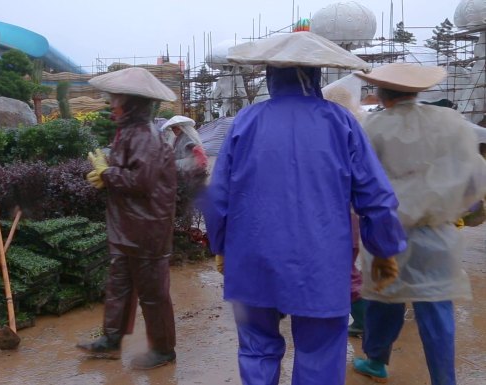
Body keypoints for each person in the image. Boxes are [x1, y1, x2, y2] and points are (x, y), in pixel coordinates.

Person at [202, 31, 407, 385]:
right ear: (315, 75)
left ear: (270, 75)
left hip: (253, 256)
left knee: (256, 347)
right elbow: (376, 196)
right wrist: (385, 250)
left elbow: (218, 196)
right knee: (320, 351)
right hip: (321, 260)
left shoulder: (245, 122)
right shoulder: (341, 122)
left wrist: (220, 246)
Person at [352, 63, 486, 385]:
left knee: (384, 298)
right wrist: (468, 210)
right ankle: (444, 379)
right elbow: (475, 172)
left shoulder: (374, 127)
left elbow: (362, 180)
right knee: (436, 304)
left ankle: (376, 361)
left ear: (382, 94)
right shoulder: (451, 122)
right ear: (418, 90)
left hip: (388, 232)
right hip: (437, 232)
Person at [76, 67, 178, 370]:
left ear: (132, 102)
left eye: (116, 97)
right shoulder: (129, 132)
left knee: (152, 293)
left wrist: (108, 173)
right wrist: (107, 172)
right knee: (118, 285)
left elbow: (142, 181)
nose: (112, 102)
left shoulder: (146, 136)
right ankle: (111, 339)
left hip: (146, 229)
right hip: (126, 226)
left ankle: (163, 349)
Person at [322, 77, 369, 337]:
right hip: (352, 216)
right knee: (345, 269)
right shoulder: (357, 132)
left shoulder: (330, 136)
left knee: (344, 273)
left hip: (336, 218)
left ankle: (364, 320)